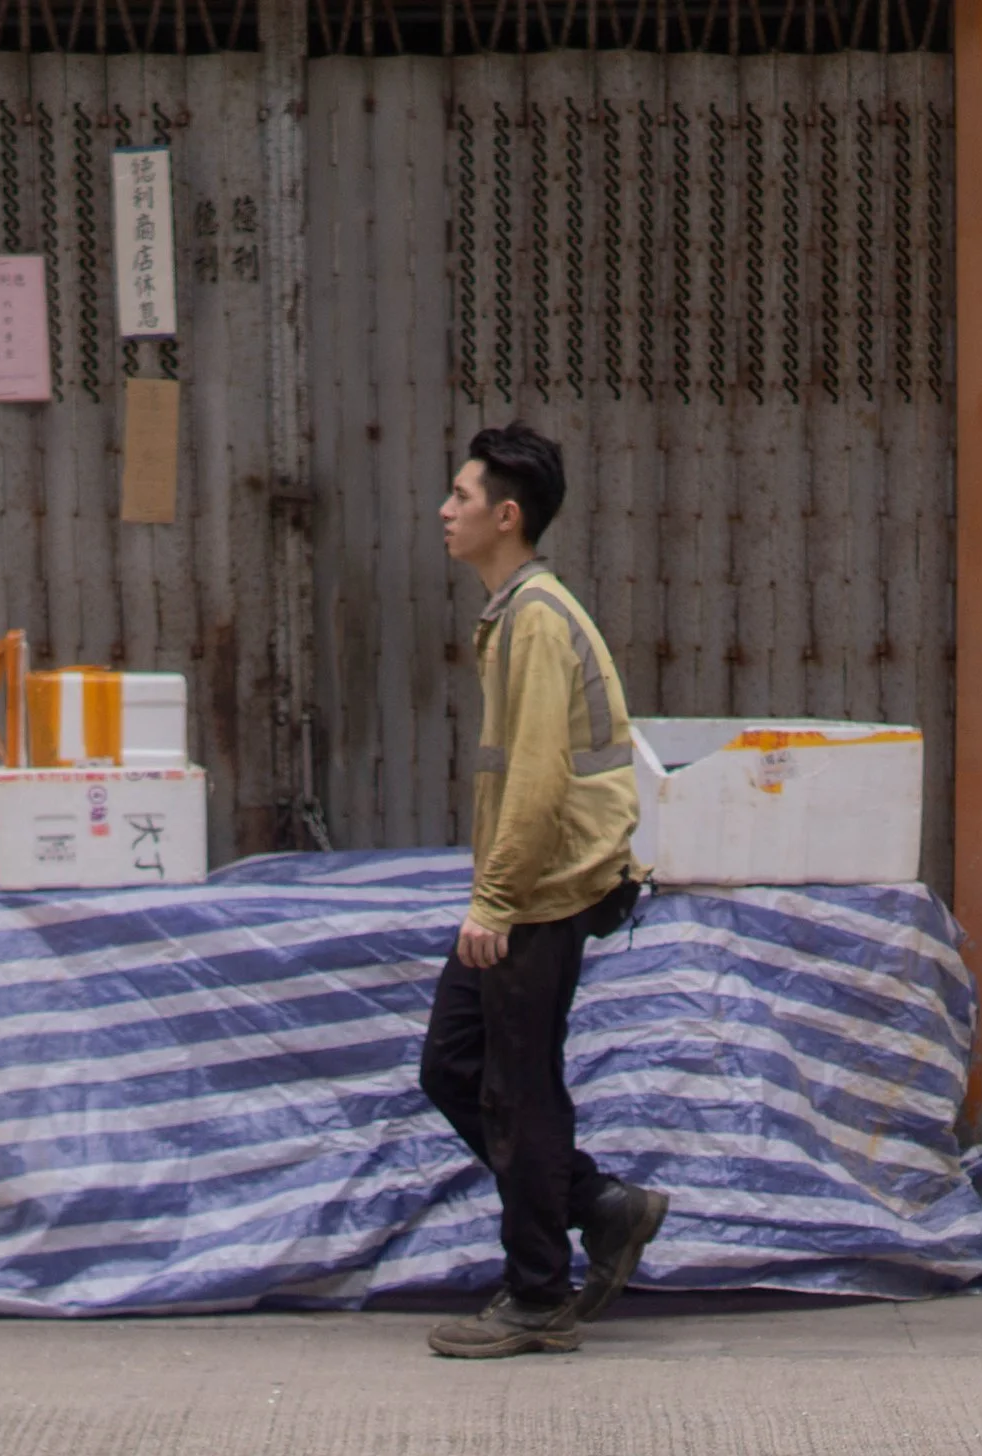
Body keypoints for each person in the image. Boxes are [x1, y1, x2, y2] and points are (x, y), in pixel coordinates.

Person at [417, 422, 668, 1359]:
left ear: (506, 516)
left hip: (542, 894)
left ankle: (537, 1296)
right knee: (453, 1067)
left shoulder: (533, 619)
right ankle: (600, 1205)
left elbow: (533, 778)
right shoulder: (520, 610)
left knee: (520, 1093)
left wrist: (495, 901)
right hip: (531, 889)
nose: (445, 511)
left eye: (462, 497)